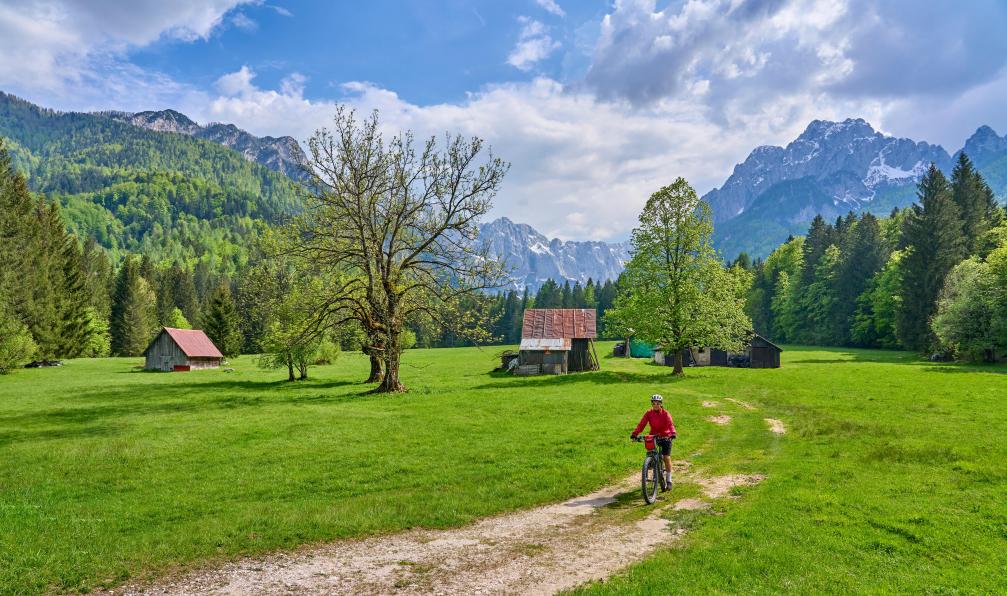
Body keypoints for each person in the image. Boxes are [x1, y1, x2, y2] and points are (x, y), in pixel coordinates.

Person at [630, 394, 677, 486]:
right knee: (650, 452)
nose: (655, 405)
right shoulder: (649, 413)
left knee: (666, 457)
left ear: (661, 404)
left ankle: (669, 479)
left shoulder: (665, 413)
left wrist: (673, 434)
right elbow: (642, 424)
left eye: (657, 403)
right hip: (654, 436)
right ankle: (650, 462)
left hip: (665, 436)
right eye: (653, 403)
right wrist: (635, 434)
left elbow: (670, 424)